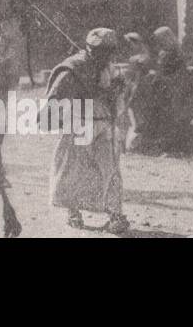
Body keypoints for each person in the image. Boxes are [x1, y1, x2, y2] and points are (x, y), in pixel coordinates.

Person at [47, 27, 130, 235]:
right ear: (90, 48)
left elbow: (120, 99)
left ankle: (116, 215)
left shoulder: (110, 69)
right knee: (72, 168)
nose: (107, 56)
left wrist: (116, 89)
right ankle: (73, 212)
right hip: (79, 124)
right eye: (101, 51)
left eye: (110, 51)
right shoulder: (73, 67)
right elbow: (54, 95)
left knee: (109, 168)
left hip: (104, 124)